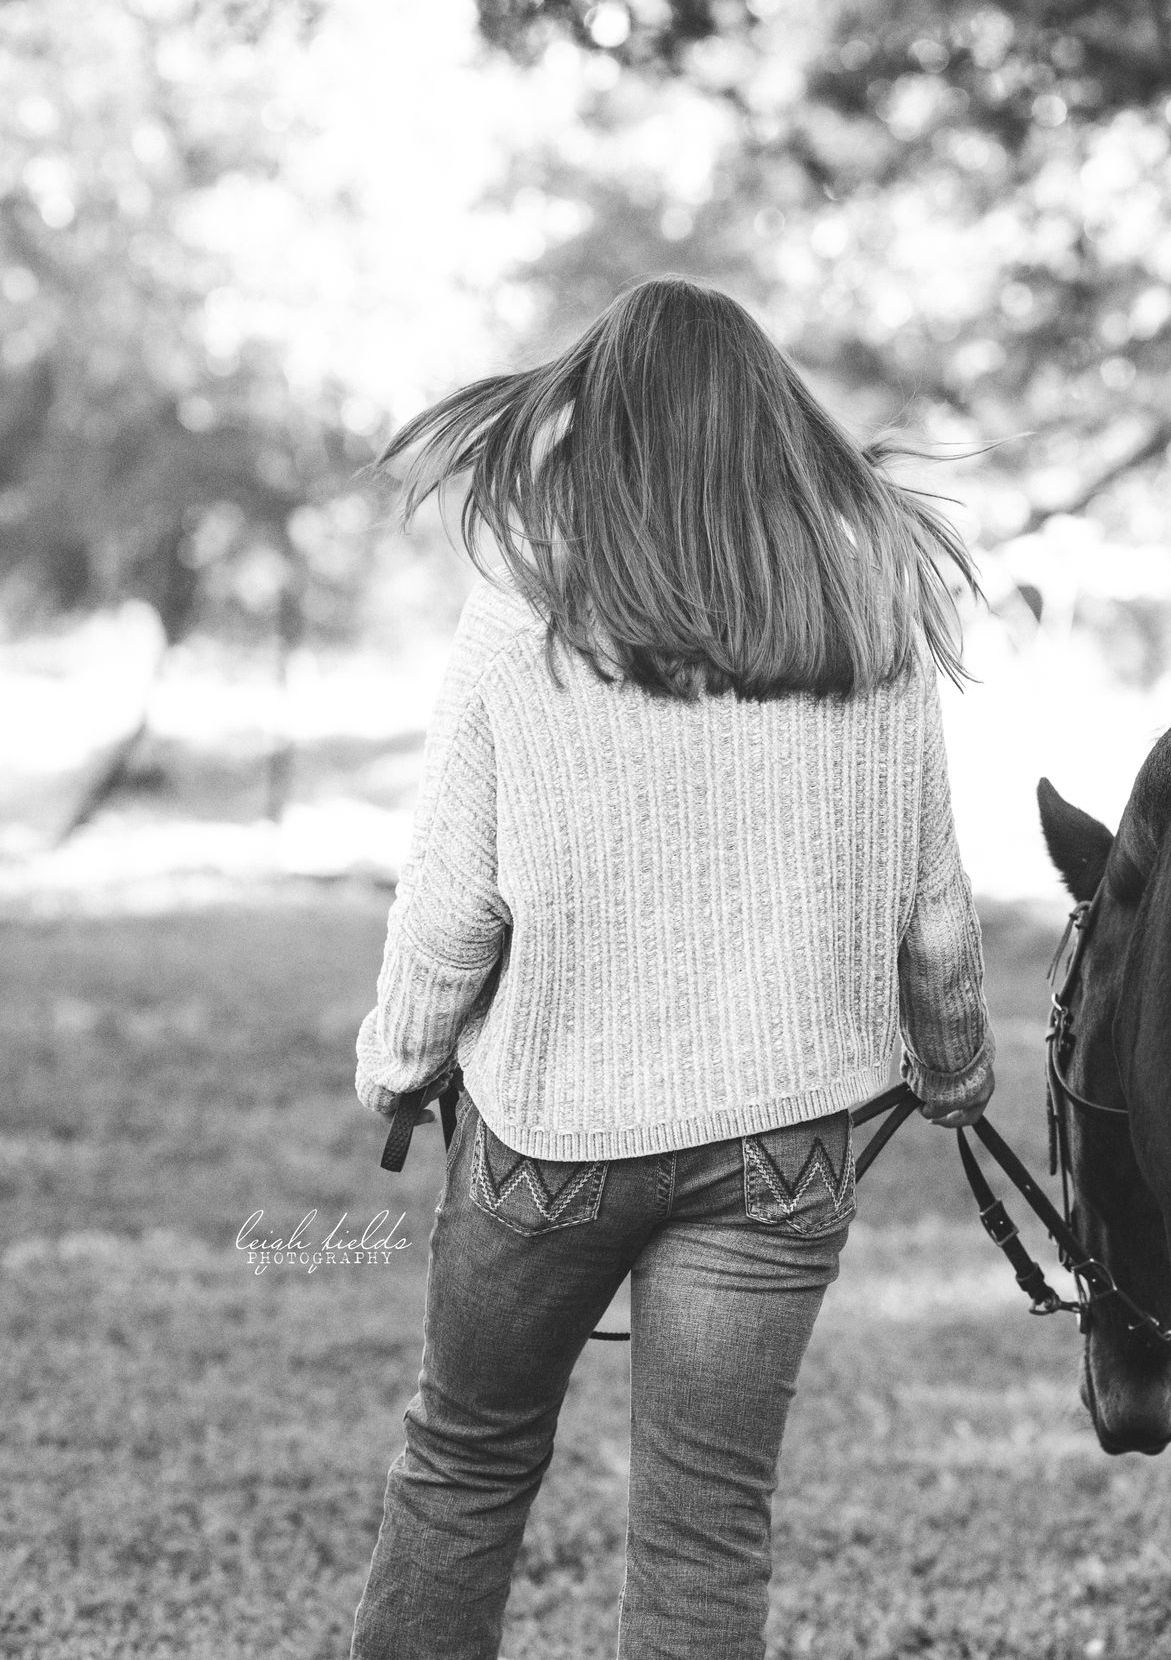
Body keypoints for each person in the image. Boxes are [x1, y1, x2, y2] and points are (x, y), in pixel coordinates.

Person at [346, 275, 993, 1659]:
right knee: (709, 1527)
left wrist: (399, 1064)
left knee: (464, 1461)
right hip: (783, 1149)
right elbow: (934, 907)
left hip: (551, 1142)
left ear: (604, 421)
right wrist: (952, 1069)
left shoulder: (526, 606)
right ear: (778, 426)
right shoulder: (867, 607)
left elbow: (453, 901)